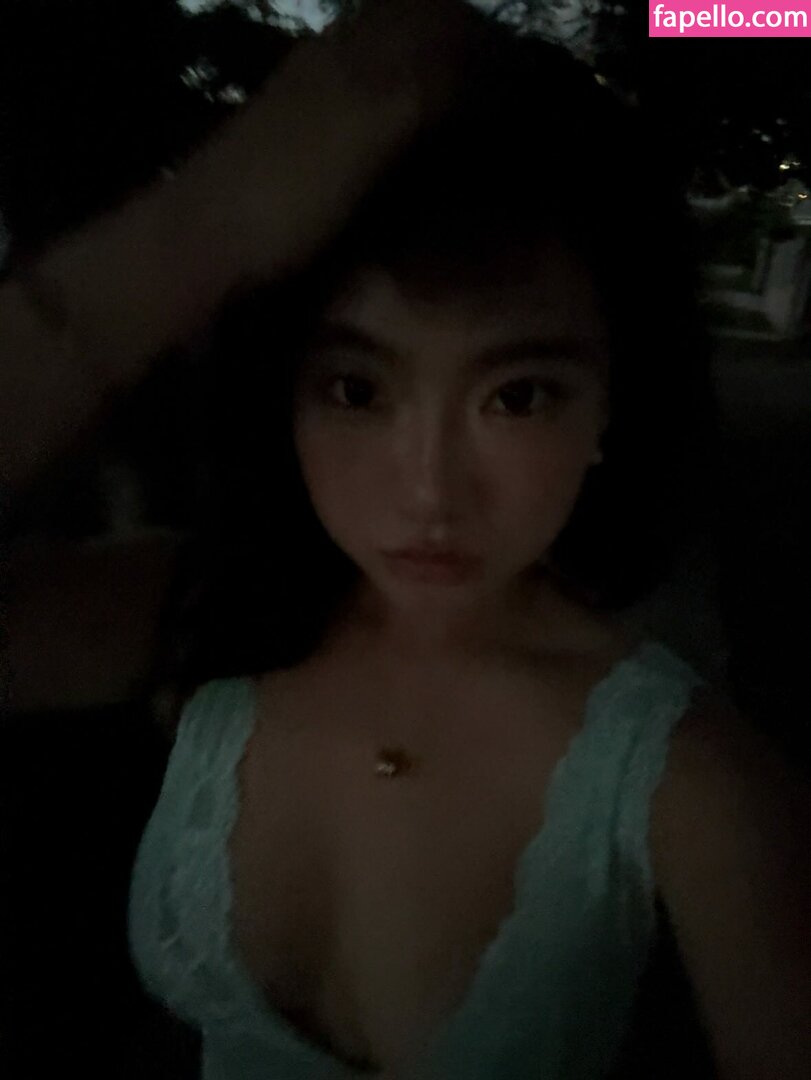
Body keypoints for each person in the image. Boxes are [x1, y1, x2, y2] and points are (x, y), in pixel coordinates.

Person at [4, 3, 810, 1079]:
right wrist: (201, 227)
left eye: (516, 396)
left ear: (613, 405)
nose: (428, 490)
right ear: (281, 391)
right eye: (356, 389)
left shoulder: (691, 781)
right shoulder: (199, 610)